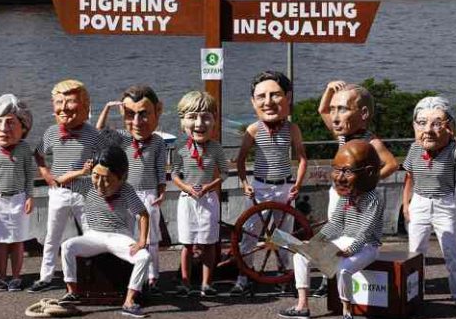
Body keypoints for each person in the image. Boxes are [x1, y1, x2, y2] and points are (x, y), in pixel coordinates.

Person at [279, 139, 385, 319]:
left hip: (368, 246)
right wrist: (314, 243)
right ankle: (302, 305)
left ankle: (347, 310)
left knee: (344, 268)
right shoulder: (345, 197)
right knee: (300, 257)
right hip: (344, 241)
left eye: (346, 171)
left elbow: (366, 231)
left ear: (368, 172)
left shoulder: (373, 199)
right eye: (336, 170)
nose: (338, 177)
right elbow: (334, 224)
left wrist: (351, 250)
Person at [313, 80, 399, 297]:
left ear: (363, 113)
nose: (334, 116)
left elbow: (391, 164)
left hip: (357, 196)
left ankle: (341, 274)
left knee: (351, 233)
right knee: (334, 232)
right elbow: (321, 109)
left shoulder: (371, 141)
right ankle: (327, 278)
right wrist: (329, 89)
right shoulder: (341, 135)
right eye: (334, 110)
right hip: (338, 192)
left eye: (341, 109)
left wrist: (365, 183)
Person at [30, 79, 111, 293]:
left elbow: (106, 159)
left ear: (85, 106)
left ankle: (93, 274)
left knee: (91, 234)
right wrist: (46, 173)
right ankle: (45, 277)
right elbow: (38, 154)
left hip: (86, 193)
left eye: (70, 102)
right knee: (52, 236)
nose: (63, 108)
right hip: (59, 192)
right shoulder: (50, 133)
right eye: (59, 102)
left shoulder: (94, 135)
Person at [232, 70, 307, 297]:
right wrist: (245, 183)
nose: (268, 102)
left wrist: (298, 184)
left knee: (284, 235)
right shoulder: (253, 129)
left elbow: (303, 157)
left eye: (275, 95)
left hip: (284, 187)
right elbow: (241, 159)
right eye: (262, 96)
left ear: (288, 97)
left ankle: (285, 276)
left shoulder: (292, 128)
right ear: (253, 101)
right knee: (249, 232)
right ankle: (244, 275)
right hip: (260, 187)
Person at [58, 146, 151, 319]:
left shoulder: (126, 190)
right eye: (96, 176)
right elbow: (60, 181)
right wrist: (83, 172)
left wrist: (141, 241)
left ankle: (129, 302)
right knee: (67, 246)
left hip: (119, 236)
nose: (100, 184)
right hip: (94, 234)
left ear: (121, 177)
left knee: (144, 256)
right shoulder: (87, 185)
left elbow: (143, 214)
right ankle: (73, 291)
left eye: (107, 179)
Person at [402, 95, 456, 310]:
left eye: (437, 123)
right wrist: (406, 204)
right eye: (422, 123)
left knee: (451, 251)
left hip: (444, 204)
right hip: (420, 202)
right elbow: (409, 177)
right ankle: (413, 293)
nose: (429, 129)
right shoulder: (414, 149)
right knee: (415, 253)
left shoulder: (451, 148)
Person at [95, 85, 168, 294]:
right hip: (127, 193)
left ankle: (153, 275)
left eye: (143, 114)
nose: (137, 122)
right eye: (130, 115)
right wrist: (108, 108)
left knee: (151, 238)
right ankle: (131, 272)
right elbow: (100, 133)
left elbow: (160, 169)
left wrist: (161, 190)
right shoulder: (122, 138)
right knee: (128, 236)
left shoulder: (158, 142)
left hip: (148, 193)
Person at [171, 91, 228, 297]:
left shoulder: (216, 148)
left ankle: (206, 283)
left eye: (205, 117)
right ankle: (185, 282)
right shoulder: (181, 150)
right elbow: (175, 174)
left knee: (208, 242)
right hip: (187, 200)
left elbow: (224, 173)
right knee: (187, 243)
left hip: (208, 199)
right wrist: (186, 187)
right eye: (192, 117)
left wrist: (208, 187)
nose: (199, 123)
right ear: (182, 121)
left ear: (214, 120)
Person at [0, 94, 37, 292]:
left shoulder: (24, 149)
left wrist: (30, 196)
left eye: (11, 123)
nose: (4, 129)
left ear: (23, 127)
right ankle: (2, 277)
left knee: (17, 241)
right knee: (1, 242)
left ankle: (16, 277)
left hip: (19, 199)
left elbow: (30, 174)